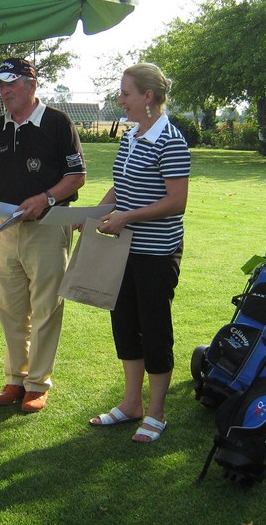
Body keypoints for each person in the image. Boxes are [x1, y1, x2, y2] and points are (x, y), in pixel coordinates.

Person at [0, 57, 86, 412]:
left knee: (46, 307)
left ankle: (37, 384)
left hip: (49, 227)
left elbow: (76, 176)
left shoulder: (57, 122)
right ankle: (15, 379)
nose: (4, 92)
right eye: (0, 86)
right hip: (7, 228)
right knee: (8, 307)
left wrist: (46, 198)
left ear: (31, 84)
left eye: (10, 84)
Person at [88, 63, 190, 442]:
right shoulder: (131, 136)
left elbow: (176, 201)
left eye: (126, 93)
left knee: (155, 328)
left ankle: (156, 412)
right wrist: (92, 214)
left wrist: (126, 217)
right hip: (124, 248)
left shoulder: (171, 141)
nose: (120, 100)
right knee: (125, 324)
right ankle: (132, 404)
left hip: (156, 253)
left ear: (148, 96)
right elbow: (121, 186)